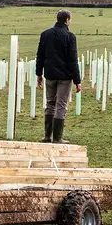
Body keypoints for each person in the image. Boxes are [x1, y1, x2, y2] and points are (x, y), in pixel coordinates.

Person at [35, 9, 82, 143]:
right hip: (65, 77)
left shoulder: (45, 34)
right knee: (61, 105)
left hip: (49, 75)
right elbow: (72, 60)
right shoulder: (70, 36)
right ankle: (57, 138)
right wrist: (77, 80)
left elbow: (40, 55)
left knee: (50, 104)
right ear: (67, 20)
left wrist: (39, 73)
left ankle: (47, 136)